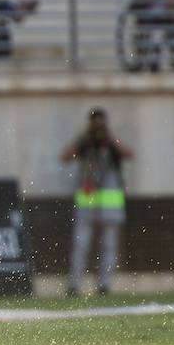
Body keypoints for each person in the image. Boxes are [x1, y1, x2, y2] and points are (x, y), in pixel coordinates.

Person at [61, 108, 132, 296]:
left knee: (108, 246)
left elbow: (128, 154)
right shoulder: (85, 143)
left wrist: (110, 139)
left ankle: (104, 285)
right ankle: (74, 285)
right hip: (87, 202)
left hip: (109, 204)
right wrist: (85, 138)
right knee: (81, 244)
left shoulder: (111, 144)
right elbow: (66, 157)